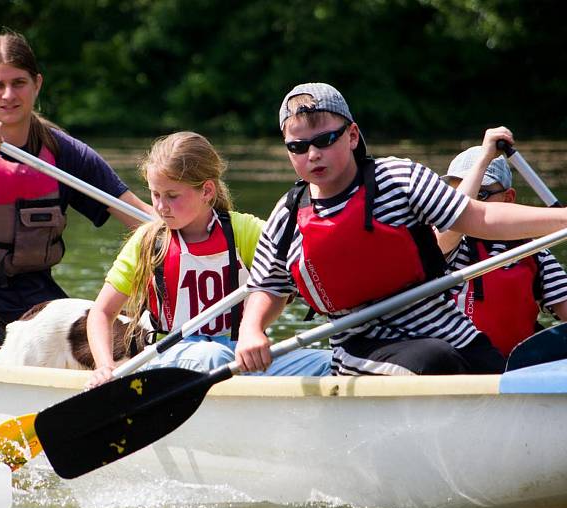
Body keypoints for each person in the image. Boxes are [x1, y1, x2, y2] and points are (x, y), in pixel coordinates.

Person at [235, 82, 567, 376]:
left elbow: (477, 217)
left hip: (448, 329)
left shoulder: (398, 178)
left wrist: (563, 218)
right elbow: (268, 286)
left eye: (325, 140)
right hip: (360, 346)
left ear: (352, 136)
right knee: (434, 360)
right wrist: (252, 330)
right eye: (298, 147)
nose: (313, 154)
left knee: (490, 370)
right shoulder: (288, 214)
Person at [0, 31, 151, 360]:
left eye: (19, 83)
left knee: (128, 343)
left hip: (41, 305)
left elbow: (145, 221)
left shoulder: (63, 152)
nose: (8, 95)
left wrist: (211, 231)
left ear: (37, 84)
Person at [86, 131, 332, 388]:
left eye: (172, 196)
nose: (160, 207)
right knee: (213, 356)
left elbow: (282, 284)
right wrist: (105, 366)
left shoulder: (244, 231)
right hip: (171, 358)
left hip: (241, 355)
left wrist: (256, 331)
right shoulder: (148, 241)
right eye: (155, 194)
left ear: (206, 191)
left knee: (330, 361)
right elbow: (102, 312)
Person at [437, 128, 567, 357]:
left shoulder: (534, 253)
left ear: (509, 198)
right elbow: (454, 218)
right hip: (454, 367)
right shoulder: (447, 246)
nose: (470, 205)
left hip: (513, 370)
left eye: (481, 194)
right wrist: (485, 157)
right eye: (455, 192)